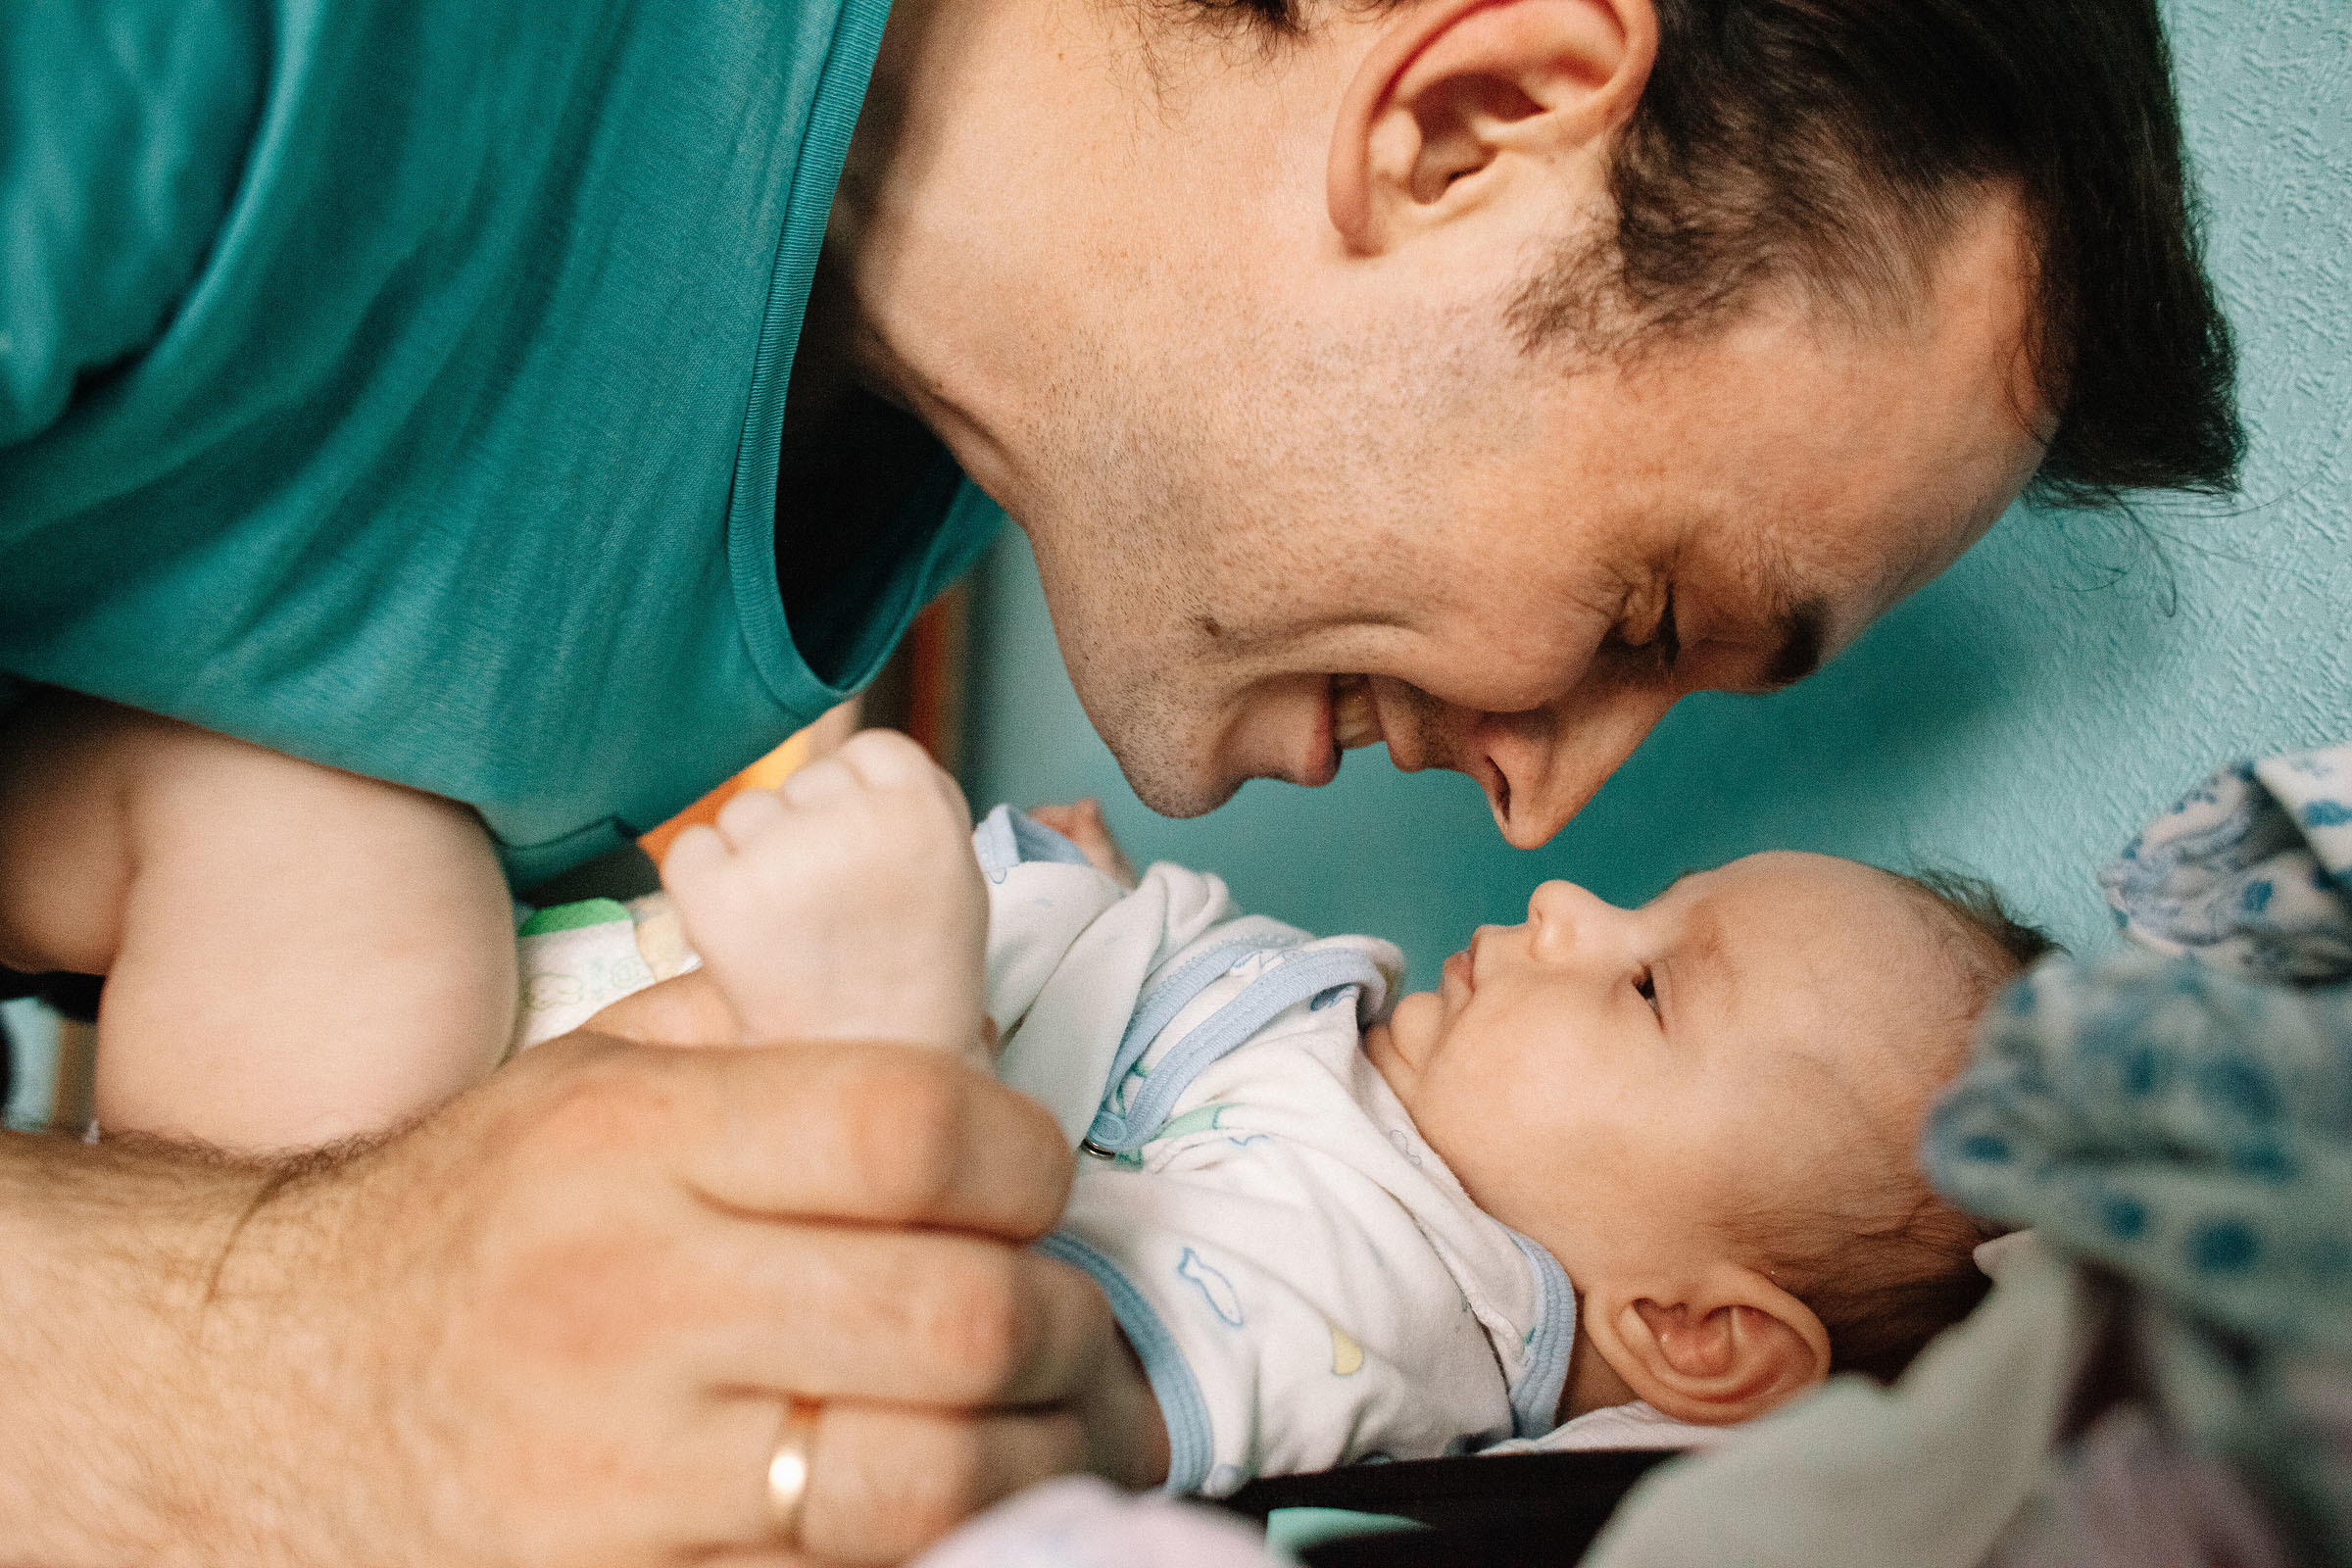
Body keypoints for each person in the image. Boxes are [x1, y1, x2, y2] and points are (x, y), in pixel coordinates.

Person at [0, 0, 2242, 1556]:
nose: (1549, 818)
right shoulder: (239, 60)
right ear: (1464, 123)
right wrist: (268, 1357)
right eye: (1650, 617)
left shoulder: (870, 500)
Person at [536, 749, 2056, 1493]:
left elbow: (1010, 1378)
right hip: (566, 979)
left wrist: (883, 1037)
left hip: (548, 1152)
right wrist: (1101, 909)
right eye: (1645, 906)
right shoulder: (1374, 1092)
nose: (1569, 903)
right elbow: (1177, 1075)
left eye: (1652, 988)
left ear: (1694, 1335)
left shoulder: (1378, 1311)